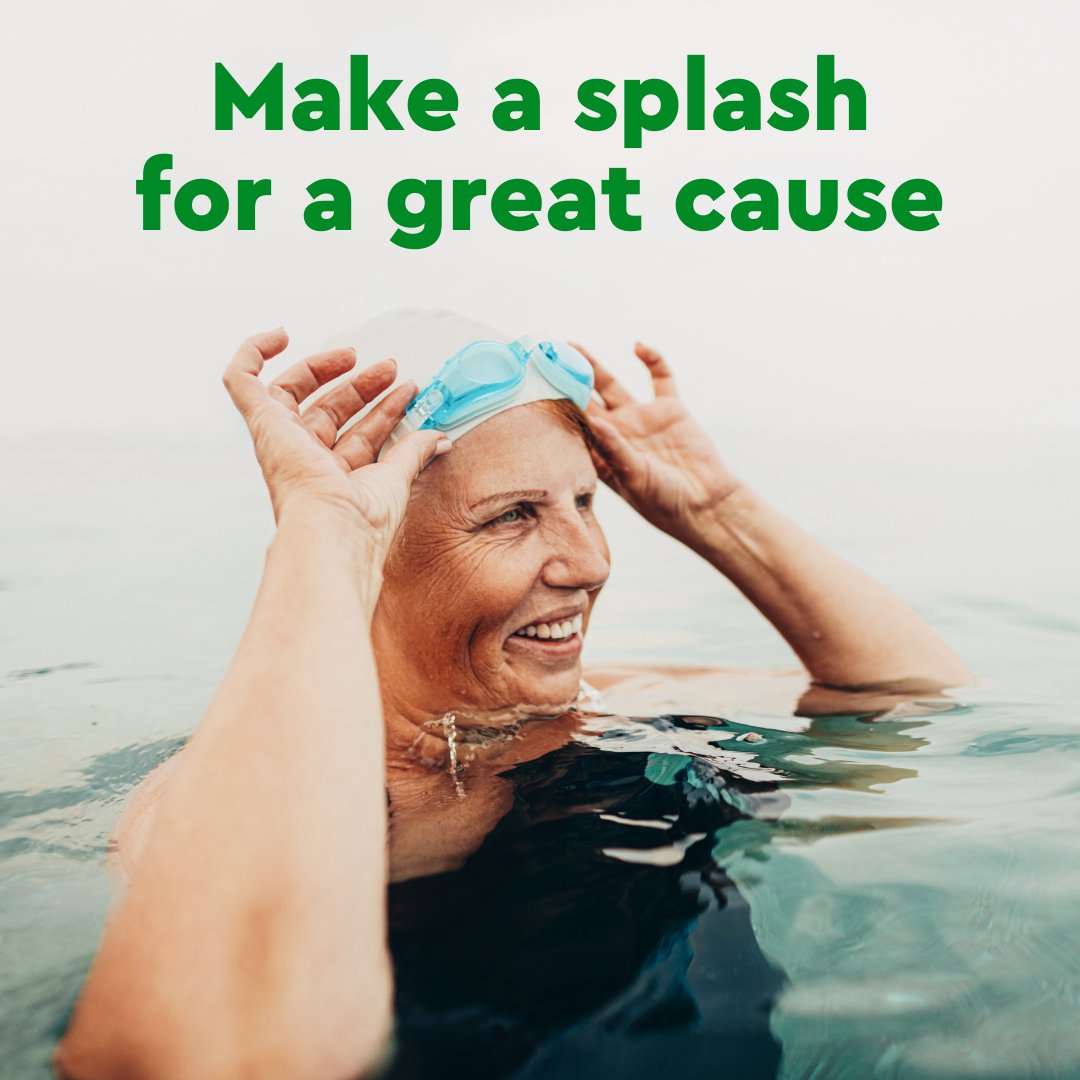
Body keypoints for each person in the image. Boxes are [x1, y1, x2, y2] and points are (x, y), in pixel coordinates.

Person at [54, 310, 972, 1080]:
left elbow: (916, 705)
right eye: (513, 516)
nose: (589, 562)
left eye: (586, 502)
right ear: (377, 546)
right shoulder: (228, 801)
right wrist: (320, 537)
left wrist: (716, 512)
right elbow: (201, 1053)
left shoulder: (624, 704)